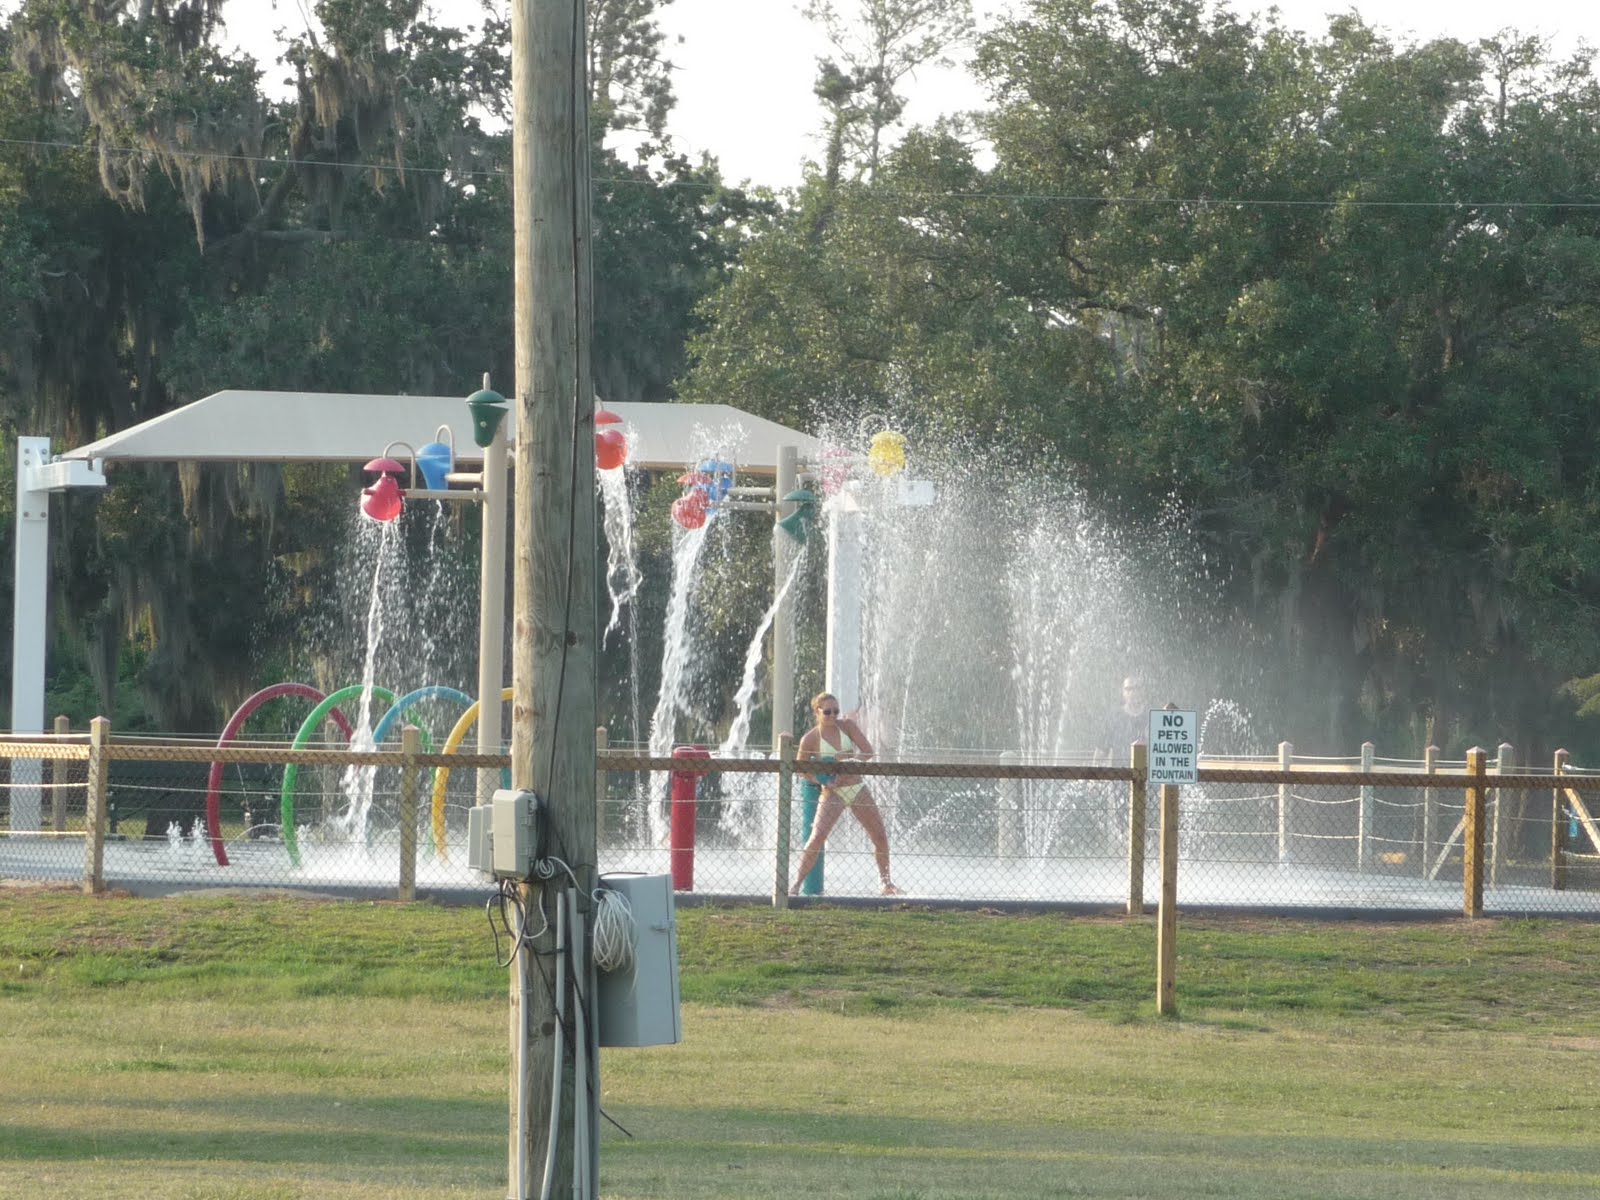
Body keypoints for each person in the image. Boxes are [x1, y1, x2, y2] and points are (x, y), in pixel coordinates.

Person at [791, 692, 902, 896]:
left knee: (879, 835)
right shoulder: (810, 738)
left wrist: (851, 763)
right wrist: (823, 780)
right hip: (833, 792)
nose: (833, 716)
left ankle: (886, 883)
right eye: (827, 712)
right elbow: (801, 768)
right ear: (817, 712)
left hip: (856, 787)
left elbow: (868, 751)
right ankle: (795, 885)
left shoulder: (847, 727)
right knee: (817, 837)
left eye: (836, 711)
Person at [1100, 675, 1149, 763]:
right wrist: (1094, 774)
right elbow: (1101, 750)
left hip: (1147, 774)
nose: (1133, 692)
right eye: (1129, 689)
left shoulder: (1152, 716)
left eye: (1137, 688)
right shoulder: (1113, 717)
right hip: (1120, 774)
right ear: (1123, 692)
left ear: (1143, 690)